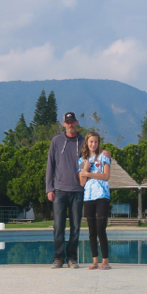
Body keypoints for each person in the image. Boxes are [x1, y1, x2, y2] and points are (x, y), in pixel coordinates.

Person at [45, 112, 84, 268]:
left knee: (76, 226)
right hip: (60, 190)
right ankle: (58, 258)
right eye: (68, 122)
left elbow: (89, 160)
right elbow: (50, 165)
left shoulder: (83, 141)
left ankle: (72, 258)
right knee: (58, 226)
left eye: (72, 121)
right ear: (64, 124)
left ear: (76, 122)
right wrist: (49, 188)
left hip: (78, 190)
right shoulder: (57, 141)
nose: (70, 124)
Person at [79, 132, 112, 269]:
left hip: (102, 196)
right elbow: (82, 182)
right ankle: (95, 261)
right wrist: (85, 168)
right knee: (92, 230)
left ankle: (105, 261)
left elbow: (106, 176)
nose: (93, 144)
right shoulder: (81, 161)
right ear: (87, 143)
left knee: (100, 228)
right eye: (91, 142)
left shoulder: (104, 156)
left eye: (96, 142)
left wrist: (88, 173)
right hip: (88, 197)